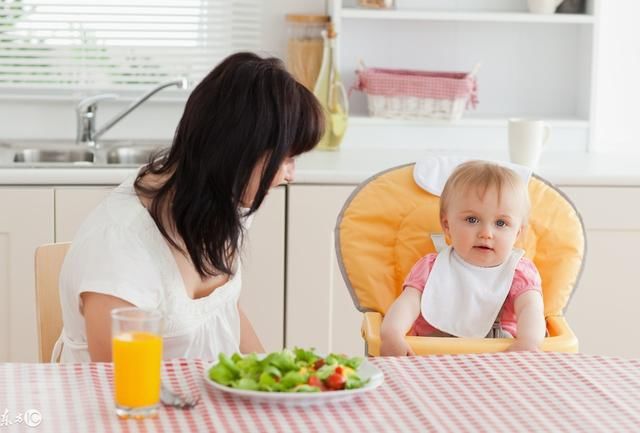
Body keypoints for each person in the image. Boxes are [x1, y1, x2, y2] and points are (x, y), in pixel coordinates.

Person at [56, 52, 324, 362]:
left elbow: (224, 309)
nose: (290, 175)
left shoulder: (227, 200)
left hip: (202, 401)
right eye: (286, 159)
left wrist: (273, 377)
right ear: (238, 152)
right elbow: (119, 385)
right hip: (127, 406)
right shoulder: (119, 244)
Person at [380, 160, 545, 356]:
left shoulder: (519, 272)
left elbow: (531, 309)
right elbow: (407, 303)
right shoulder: (432, 268)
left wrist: (528, 341)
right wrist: (392, 334)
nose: (486, 233)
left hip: (499, 362)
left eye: (501, 223)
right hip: (431, 359)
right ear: (447, 225)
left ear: (518, 233)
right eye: (472, 220)